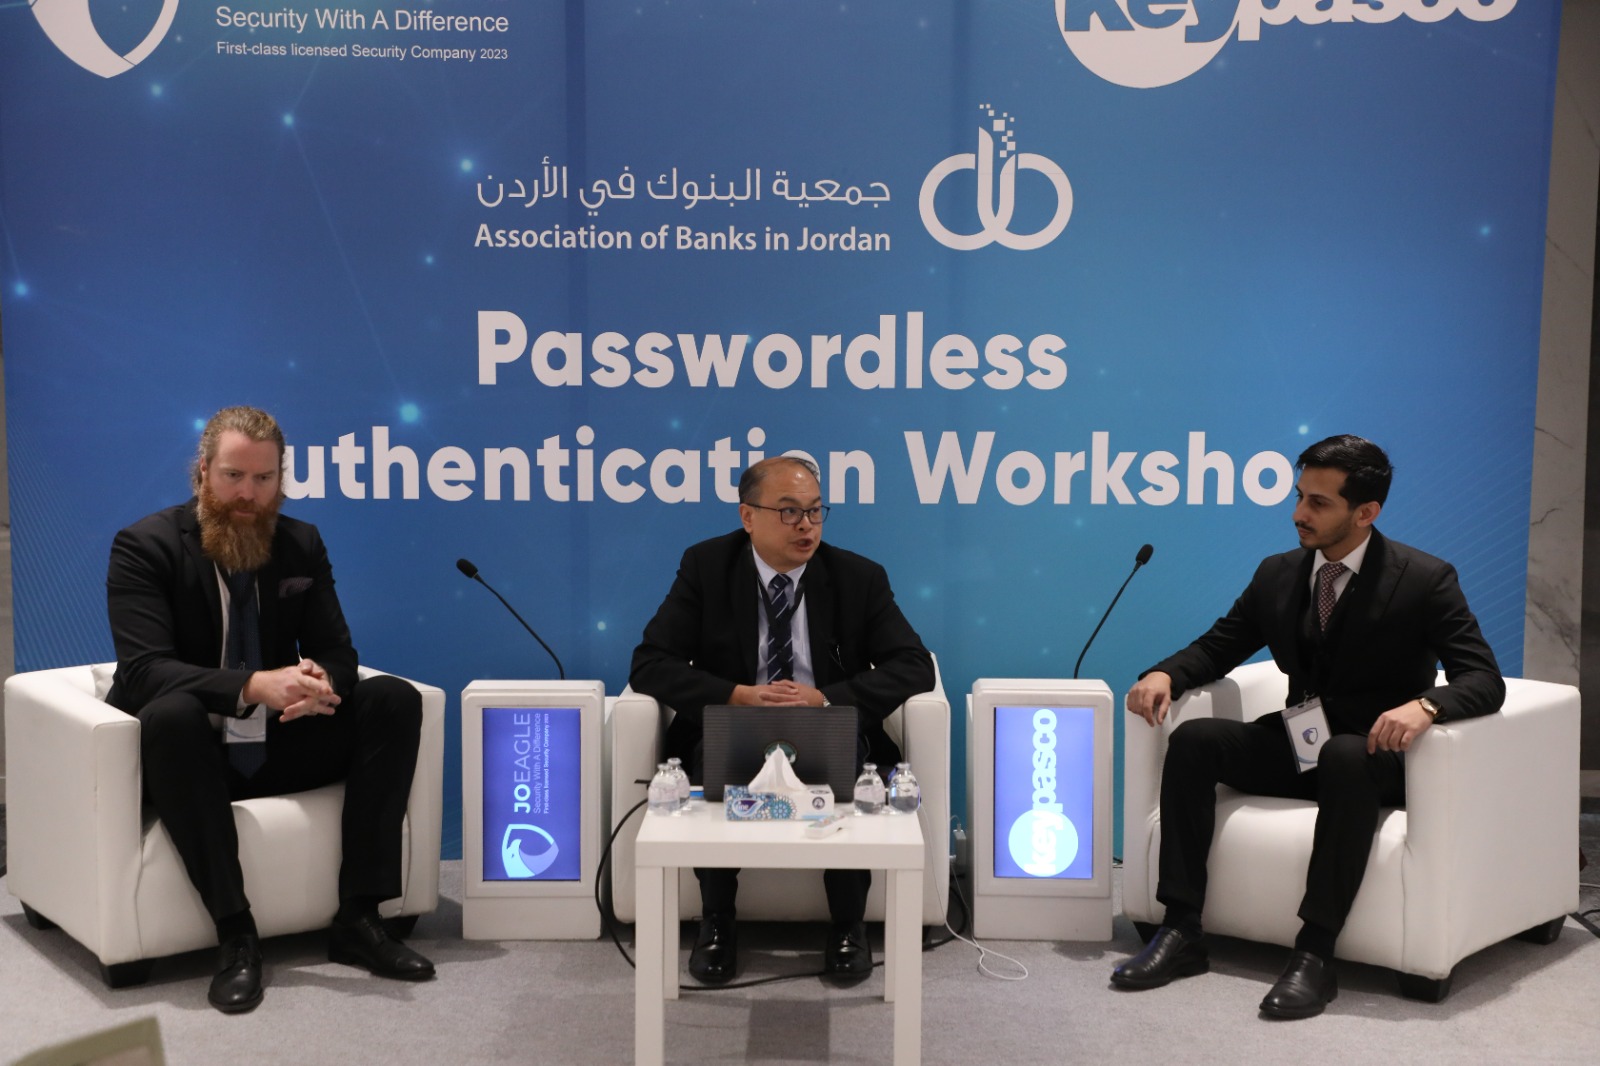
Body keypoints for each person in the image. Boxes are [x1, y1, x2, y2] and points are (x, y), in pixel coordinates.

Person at [1113, 434, 1503, 1019]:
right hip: (1301, 745)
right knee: (1195, 740)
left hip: (1373, 758)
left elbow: (1484, 678)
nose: (1299, 513)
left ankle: (1316, 954)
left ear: (1365, 512)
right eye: (1299, 497)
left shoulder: (1424, 578)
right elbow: (1220, 645)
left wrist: (1426, 707)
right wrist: (1165, 673)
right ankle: (1181, 928)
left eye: (1318, 502)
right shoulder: (1279, 573)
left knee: (1346, 754)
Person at [106, 406, 434, 1014]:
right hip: (190, 757)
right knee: (171, 715)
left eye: (264, 479)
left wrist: (318, 681)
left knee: (392, 699)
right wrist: (254, 684)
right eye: (233, 476)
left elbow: (338, 650)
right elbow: (145, 670)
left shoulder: (299, 543)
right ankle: (236, 935)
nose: (248, 495)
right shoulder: (144, 546)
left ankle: (360, 918)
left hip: (276, 741)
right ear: (202, 472)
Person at [630, 455, 934, 985]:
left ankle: (848, 925)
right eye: (790, 512)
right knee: (713, 759)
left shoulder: (858, 576)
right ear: (748, 516)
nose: (806, 526)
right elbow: (650, 663)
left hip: (828, 724)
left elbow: (914, 665)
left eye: (816, 511)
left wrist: (826, 700)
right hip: (731, 725)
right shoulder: (706, 566)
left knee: (847, 761)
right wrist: (736, 696)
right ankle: (717, 922)